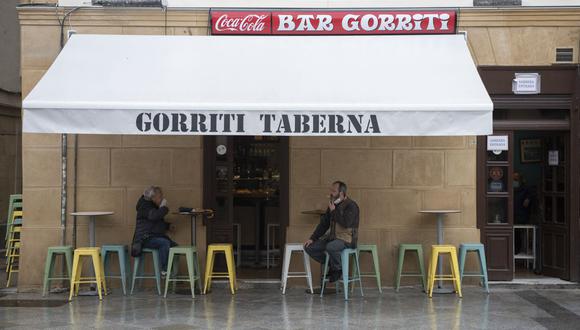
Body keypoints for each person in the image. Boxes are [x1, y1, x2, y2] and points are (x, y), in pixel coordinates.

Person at [304, 181, 359, 283]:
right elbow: (323, 224)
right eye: (330, 190)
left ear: (341, 194)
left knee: (331, 247)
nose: (330, 193)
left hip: (347, 239)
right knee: (309, 247)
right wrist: (312, 238)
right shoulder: (333, 206)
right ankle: (335, 266)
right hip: (333, 238)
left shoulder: (351, 206)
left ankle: (337, 269)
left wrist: (334, 211)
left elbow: (346, 223)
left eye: (333, 191)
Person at [132, 186, 177, 276]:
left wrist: (167, 226)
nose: (162, 199)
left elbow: (156, 223)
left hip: (152, 236)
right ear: (153, 197)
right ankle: (165, 270)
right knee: (164, 243)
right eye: (160, 197)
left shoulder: (152, 206)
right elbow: (154, 216)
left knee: (174, 246)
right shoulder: (144, 206)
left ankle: (173, 275)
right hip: (144, 239)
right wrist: (163, 208)